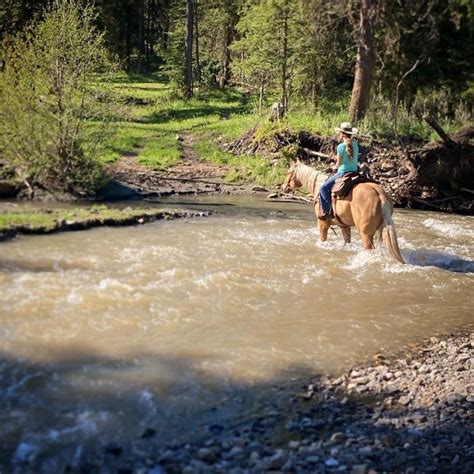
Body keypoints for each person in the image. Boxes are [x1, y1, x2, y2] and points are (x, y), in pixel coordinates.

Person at [319, 122, 359, 219]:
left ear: (342, 134)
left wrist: (334, 167)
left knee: (323, 188)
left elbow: (339, 163)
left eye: (340, 133)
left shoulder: (341, 146)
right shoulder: (355, 145)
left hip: (343, 172)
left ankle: (327, 212)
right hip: (355, 172)